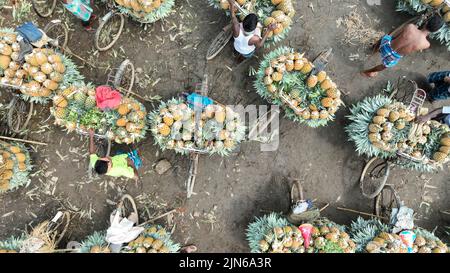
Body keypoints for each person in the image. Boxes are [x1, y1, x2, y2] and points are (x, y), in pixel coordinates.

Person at [362, 15, 444, 78]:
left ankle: (374, 48)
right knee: (384, 66)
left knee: (387, 37)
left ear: (426, 22)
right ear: (435, 31)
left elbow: (395, 35)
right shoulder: (426, 44)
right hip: (393, 57)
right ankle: (369, 71)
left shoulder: (411, 27)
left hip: (385, 45)